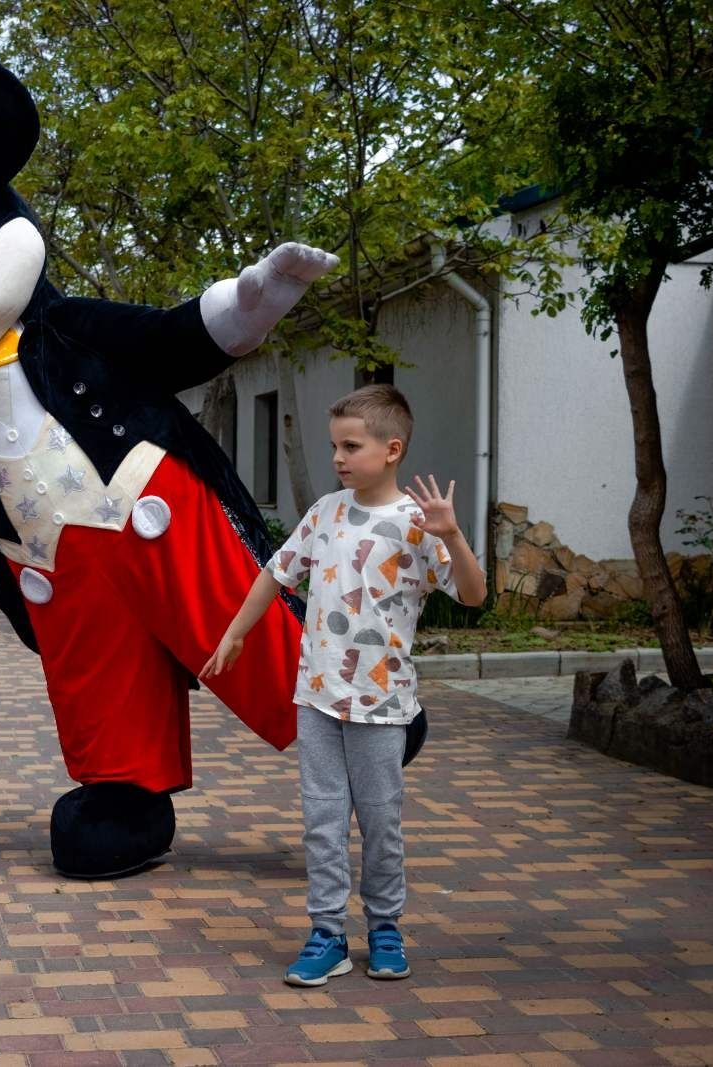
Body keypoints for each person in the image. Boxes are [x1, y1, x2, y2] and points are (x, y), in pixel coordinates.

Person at [203, 384, 486, 985]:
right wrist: (235, 634)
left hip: (383, 706)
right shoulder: (325, 512)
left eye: (351, 446)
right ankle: (326, 933)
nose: (338, 457)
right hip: (318, 699)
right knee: (321, 820)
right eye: (334, 446)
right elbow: (273, 576)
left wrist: (453, 536)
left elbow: (474, 595)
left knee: (381, 820)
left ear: (392, 448)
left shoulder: (417, 524)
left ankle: (385, 928)